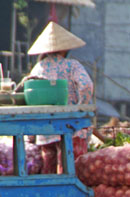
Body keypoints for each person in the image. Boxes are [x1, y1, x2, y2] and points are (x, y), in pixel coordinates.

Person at [25, 22, 94, 174]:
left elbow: (29, 95)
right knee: (70, 170)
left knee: (48, 172)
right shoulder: (72, 65)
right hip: (71, 128)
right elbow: (86, 85)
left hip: (46, 130)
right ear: (64, 48)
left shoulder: (39, 67)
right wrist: (81, 107)